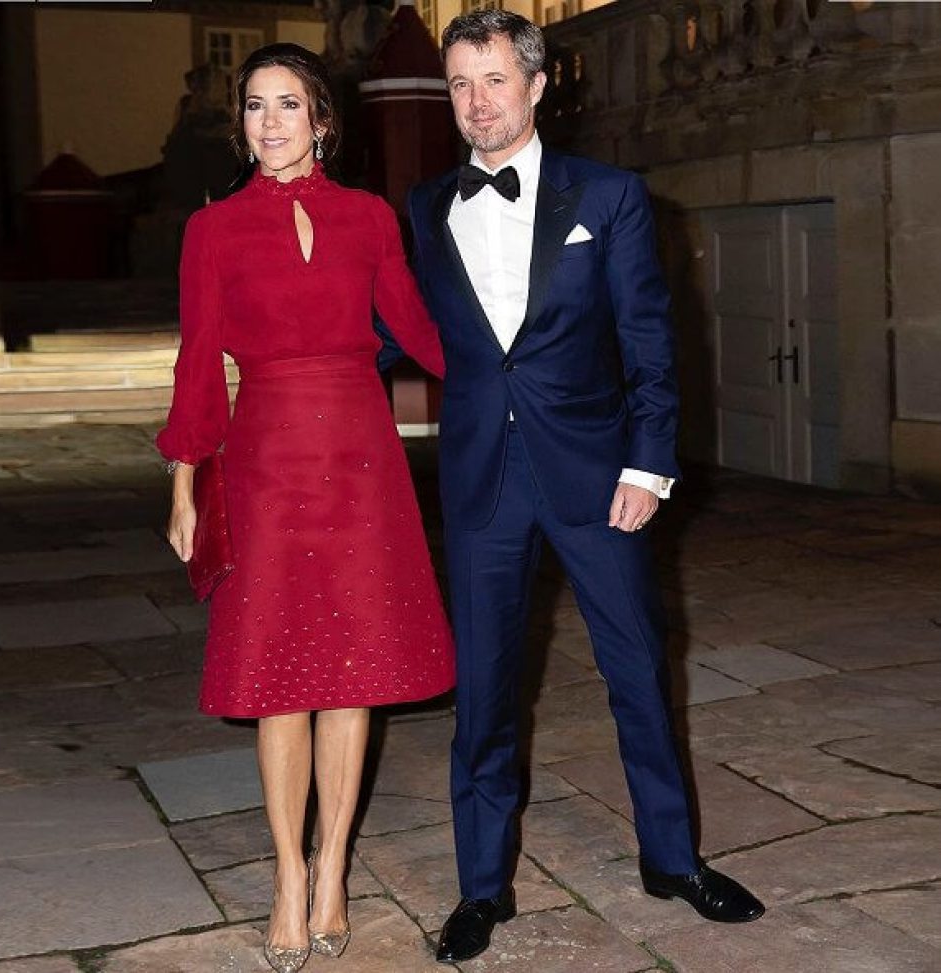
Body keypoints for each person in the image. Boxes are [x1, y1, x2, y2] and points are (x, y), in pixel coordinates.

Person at [406, 11, 765, 964]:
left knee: (639, 669)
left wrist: (649, 464)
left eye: (491, 81)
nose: (475, 103)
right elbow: (396, 330)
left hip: (600, 476)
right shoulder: (422, 209)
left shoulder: (609, 197)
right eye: (458, 85)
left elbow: (651, 339)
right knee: (483, 691)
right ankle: (482, 886)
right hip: (482, 480)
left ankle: (673, 858)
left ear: (535, 86)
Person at [158, 43, 455, 973]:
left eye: (289, 104)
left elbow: (419, 328)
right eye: (254, 106)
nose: (271, 122)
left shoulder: (370, 218)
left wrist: (526, 372)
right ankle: (288, 874)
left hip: (363, 465)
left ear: (321, 119)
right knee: (283, 678)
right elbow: (198, 362)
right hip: (266, 465)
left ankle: (334, 868)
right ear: (241, 125)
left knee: (354, 673)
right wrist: (182, 484)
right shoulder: (213, 230)